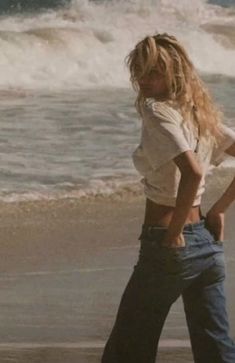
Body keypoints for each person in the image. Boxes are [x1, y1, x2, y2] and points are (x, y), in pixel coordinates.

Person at [101, 33, 235, 363]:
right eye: (140, 71)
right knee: (216, 351)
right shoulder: (198, 112)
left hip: (168, 247)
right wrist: (218, 211)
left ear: (173, 72)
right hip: (206, 247)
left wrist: (174, 232)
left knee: (127, 350)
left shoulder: (157, 111)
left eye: (153, 72)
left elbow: (193, 172)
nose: (144, 80)